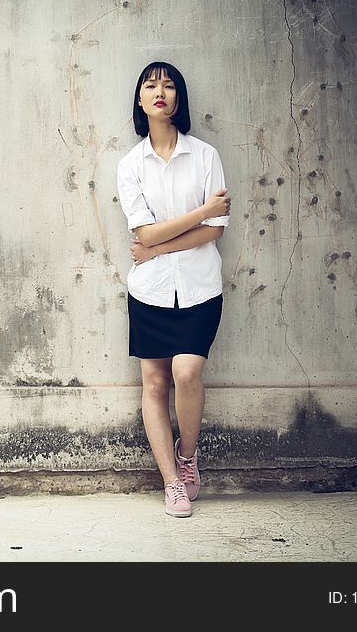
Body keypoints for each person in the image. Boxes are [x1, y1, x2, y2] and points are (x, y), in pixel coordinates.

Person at [116, 61, 231, 518]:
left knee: (186, 373)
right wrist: (198, 212)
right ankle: (172, 483)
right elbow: (142, 234)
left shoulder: (205, 156)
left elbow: (216, 228)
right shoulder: (130, 166)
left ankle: (188, 455)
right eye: (150, 85)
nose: (159, 91)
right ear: (141, 102)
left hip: (200, 287)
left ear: (178, 99)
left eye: (168, 85)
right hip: (150, 292)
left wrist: (160, 243)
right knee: (155, 382)